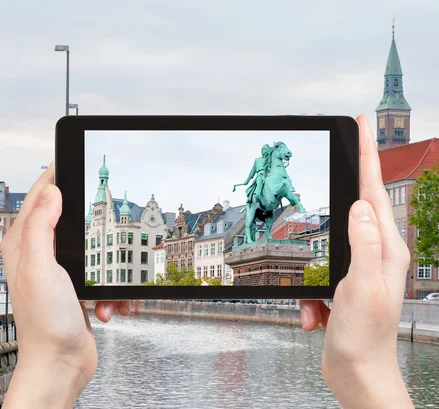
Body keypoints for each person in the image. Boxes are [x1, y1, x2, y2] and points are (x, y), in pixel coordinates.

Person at [0, 115, 415, 409]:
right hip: (252, 199)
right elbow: (252, 178)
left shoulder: (276, 167)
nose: (281, 160)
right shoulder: (261, 163)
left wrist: (52, 366)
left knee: (265, 208)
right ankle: (259, 228)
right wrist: (366, 372)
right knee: (255, 201)